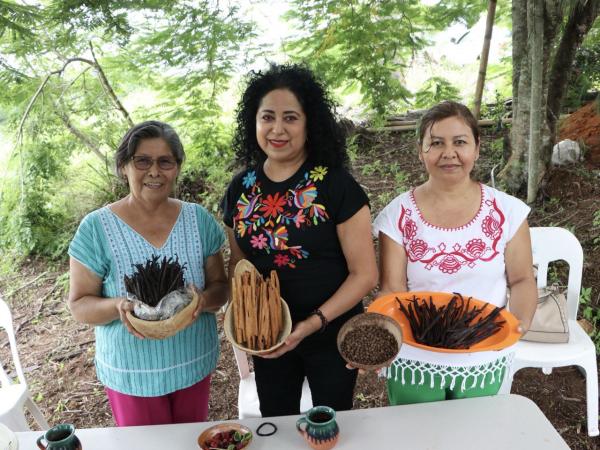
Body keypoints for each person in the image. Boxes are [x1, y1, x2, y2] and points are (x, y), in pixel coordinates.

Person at [222, 64, 378, 417]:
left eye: (291, 117)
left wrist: (309, 324)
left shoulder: (337, 186)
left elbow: (365, 275)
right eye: (268, 117)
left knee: (330, 423)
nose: (278, 129)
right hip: (268, 336)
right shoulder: (240, 189)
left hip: (331, 333)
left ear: (310, 123)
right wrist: (245, 324)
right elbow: (239, 265)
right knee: (276, 423)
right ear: (254, 122)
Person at [373, 101, 537, 405]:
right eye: (436, 143)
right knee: (418, 433)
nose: (449, 153)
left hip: (484, 352)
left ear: (476, 148)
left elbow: (522, 279)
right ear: (421, 152)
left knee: (474, 434)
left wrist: (519, 325)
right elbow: (392, 290)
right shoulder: (397, 215)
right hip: (415, 355)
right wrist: (380, 341)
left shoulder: (508, 212)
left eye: (460, 142)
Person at [68, 121, 227, 426]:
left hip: (192, 361)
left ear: (177, 168)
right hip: (132, 372)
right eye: (142, 161)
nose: (154, 171)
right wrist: (118, 307)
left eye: (165, 161)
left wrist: (202, 301)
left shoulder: (198, 220)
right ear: (123, 166)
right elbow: (79, 304)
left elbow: (221, 286)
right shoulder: (96, 229)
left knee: (189, 442)